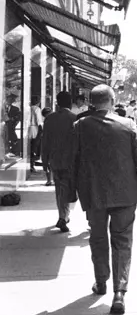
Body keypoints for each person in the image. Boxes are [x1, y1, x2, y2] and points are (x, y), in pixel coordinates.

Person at [72, 84, 137, 315]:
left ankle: (101, 281)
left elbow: (72, 161)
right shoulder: (127, 125)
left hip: (94, 193)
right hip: (125, 193)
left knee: (97, 238)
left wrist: (72, 193)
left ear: (92, 102)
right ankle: (119, 292)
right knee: (122, 240)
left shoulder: (80, 126)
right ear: (113, 101)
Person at [42, 91, 77, 232]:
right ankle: (65, 216)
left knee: (60, 189)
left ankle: (63, 215)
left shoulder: (49, 119)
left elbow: (45, 142)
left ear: (57, 103)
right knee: (72, 189)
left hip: (56, 161)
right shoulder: (75, 118)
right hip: (72, 162)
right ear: (70, 103)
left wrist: (45, 161)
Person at [28, 96, 44, 173]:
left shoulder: (28, 108)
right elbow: (39, 121)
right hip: (35, 129)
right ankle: (32, 165)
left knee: (29, 147)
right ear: (38, 102)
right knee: (34, 147)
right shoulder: (37, 109)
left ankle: (30, 164)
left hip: (28, 129)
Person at [41, 106, 53, 186]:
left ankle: (49, 180)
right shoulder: (48, 120)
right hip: (49, 144)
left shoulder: (48, 121)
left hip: (49, 144)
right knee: (48, 163)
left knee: (48, 163)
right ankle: (49, 180)